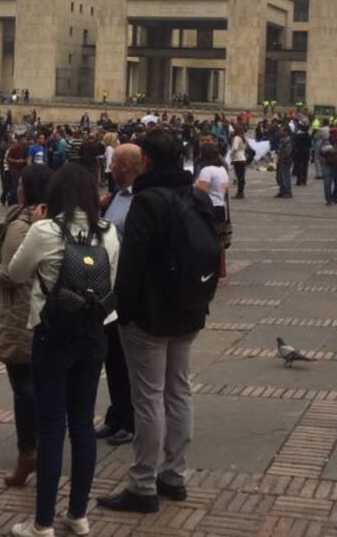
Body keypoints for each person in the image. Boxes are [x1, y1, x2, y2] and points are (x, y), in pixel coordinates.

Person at [98, 129, 217, 516]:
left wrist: (122, 310)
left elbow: (130, 266)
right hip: (190, 307)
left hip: (150, 314)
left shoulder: (147, 201)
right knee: (178, 391)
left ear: (146, 160)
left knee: (147, 397)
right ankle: (174, 475)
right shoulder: (195, 195)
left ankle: (143, 484)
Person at [8, 163, 120, 537]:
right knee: (83, 425)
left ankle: (42, 523)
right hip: (93, 335)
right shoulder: (109, 232)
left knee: (52, 428)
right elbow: (110, 283)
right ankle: (78, 515)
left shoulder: (44, 230)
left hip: (53, 334)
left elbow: (16, 272)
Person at [0, 164, 55, 489]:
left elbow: (11, 274)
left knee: (24, 388)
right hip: (42, 313)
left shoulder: (21, 226)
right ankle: (40, 448)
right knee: (37, 386)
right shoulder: (50, 219)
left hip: (21, 315)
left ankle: (29, 452)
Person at [96, 142, 142, 447]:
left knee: (128, 359)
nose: (110, 167)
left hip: (128, 288)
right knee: (111, 356)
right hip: (109, 287)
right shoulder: (116, 197)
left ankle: (132, 419)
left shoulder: (140, 199)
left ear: (127, 166)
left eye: (114, 164)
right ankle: (116, 414)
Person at [194, 140, 230, 278]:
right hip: (220, 206)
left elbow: (201, 191)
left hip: (209, 207)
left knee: (206, 240)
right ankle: (220, 269)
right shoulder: (222, 170)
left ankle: (208, 269)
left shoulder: (206, 170)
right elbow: (224, 190)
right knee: (218, 240)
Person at [321, 127, 337, 205]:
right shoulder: (326, 142)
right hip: (328, 164)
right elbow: (320, 152)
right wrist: (328, 151)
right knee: (327, 182)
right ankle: (329, 199)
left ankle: (335, 197)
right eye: (336, 135)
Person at [229, 126, 248, 199]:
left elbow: (235, 148)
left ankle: (239, 193)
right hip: (243, 157)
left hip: (237, 158)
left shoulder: (236, 138)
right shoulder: (244, 138)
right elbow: (246, 148)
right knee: (241, 177)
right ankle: (241, 192)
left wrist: (231, 154)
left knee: (239, 176)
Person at [274, 129, 293, 198]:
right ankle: (282, 191)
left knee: (285, 176)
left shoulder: (288, 141)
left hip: (285, 161)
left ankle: (287, 192)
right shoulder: (282, 140)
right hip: (280, 160)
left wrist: (282, 157)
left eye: (282, 130)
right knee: (280, 177)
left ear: (286, 131)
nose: (280, 132)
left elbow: (287, 152)